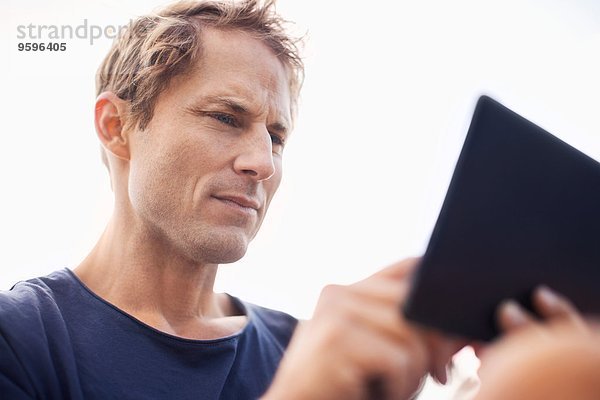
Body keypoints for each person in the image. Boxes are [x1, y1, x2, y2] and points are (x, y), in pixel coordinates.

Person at [0, 1, 585, 399]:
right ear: (116, 125)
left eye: (276, 136)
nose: (263, 161)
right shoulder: (22, 341)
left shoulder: (310, 350)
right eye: (226, 117)